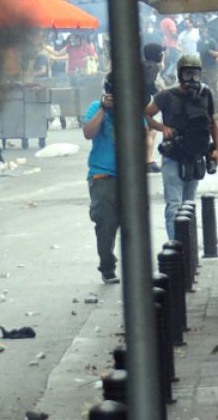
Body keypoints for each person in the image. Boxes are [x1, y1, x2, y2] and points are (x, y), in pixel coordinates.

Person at [146, 53, 218, 240]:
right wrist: (163, 128)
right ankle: (176, 247)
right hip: (173, 157)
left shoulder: (206, 94)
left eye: (196, 74)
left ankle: (188, 249)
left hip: (196, 157)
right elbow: (146, 114)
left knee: (188, 206)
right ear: (180, 74)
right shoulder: (167, 96)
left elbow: (213, 122)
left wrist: (217, 149)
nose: (192, 79)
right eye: (188, 74)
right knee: (174, 207)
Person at [85, 73, 124, 284]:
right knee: (106, 223)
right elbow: (88, 132)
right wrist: (104, 109)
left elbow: (144, 134)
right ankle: (107, 266)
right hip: (103, 175)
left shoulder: (131, 107)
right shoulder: (96, 107)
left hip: (128, 176)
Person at [142, 43, 165, 173]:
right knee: (150, 132)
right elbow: (149, 83)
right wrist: (158, 96)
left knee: (150, 131)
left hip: (139, 104)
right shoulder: (154, 67)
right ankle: (148, 161)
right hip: (141, 105)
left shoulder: (142, 65)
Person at [197, 28, 218, 115]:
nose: (202, 33)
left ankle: (216, 112)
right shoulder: (199, 42)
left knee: (213, 90)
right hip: (203, 68)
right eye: (201, 32)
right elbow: (201, 55)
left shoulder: (212, 41)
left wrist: (209, 50)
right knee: (201, 90)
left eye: (203, 31)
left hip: (212, 68)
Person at [160, 14, 179, 82]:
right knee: (175, 60)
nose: (176, 15)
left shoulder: (162, 22)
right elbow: (173, 33)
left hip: (164, 45)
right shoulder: (171, 22)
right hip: (171, 45)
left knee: (167, 63)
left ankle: (164, 78)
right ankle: (167, 75)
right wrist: (177, 36)